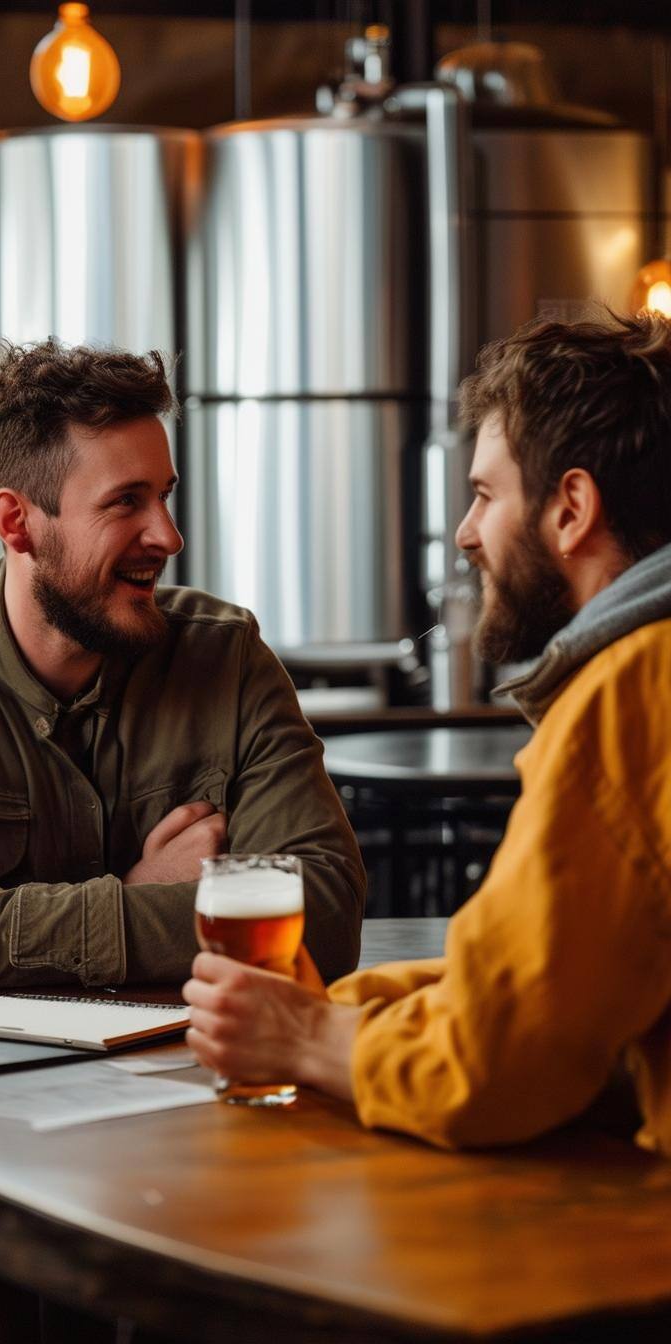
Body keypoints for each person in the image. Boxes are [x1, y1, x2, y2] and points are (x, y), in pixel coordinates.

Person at [184, 308, 671, 1156]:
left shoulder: (633, 693)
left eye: (485, 494)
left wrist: (303, 1041)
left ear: (572, 510)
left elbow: (492, 1064)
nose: (467, 533)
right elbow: (549, 979)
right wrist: (333, 1009)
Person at [0, 339, 365, 989]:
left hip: (196, 1073)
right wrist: (131, 894)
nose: (169, 537)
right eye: (126, 502)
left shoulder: (226, 656)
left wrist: (72, 924)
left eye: (164, 496)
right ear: (18, 523)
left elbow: (326, 914)